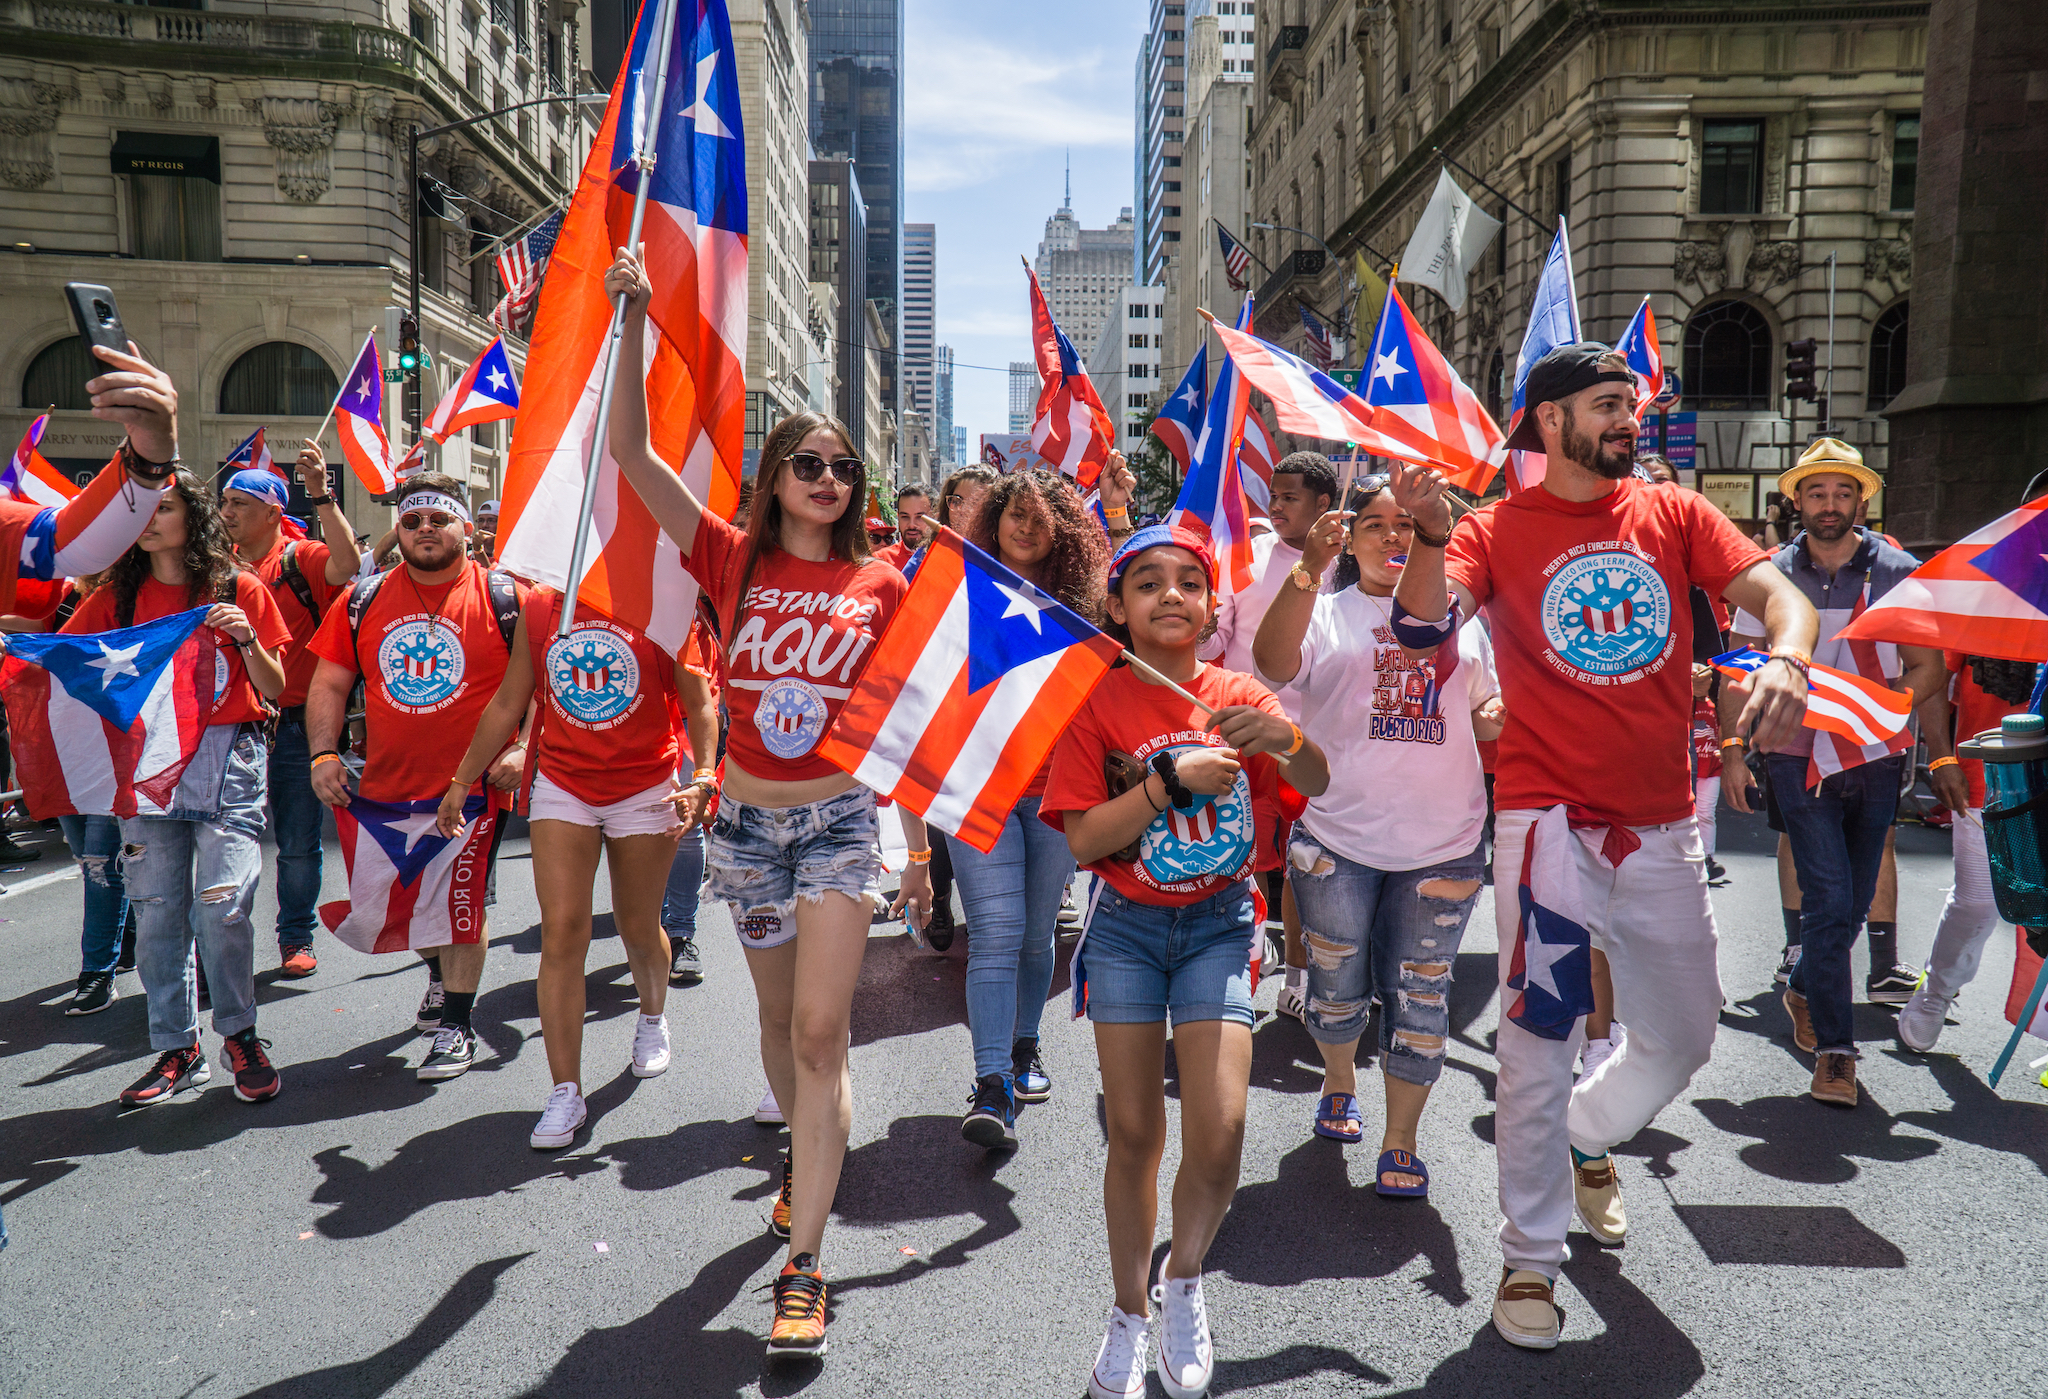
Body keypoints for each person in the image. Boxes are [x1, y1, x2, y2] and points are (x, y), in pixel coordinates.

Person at [1392, 343, 1817, 1350]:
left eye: (1629, 403)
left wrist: (1791, 657)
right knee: (1537, 1039)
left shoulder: (1673, 514)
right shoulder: (1490, 529)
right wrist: (1421, 532)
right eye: (1605, 405)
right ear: (1548, 420)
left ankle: (1577, 1134)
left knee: (1682, 1035)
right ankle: (1528, 1259)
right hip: (1542, 826)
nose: (1628, 420)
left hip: (1662, 825)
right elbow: (1420, 628)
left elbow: (1780, 601)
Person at [603, 247, 923, 1361]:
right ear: (777, 475)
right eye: (808, 462)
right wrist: (633, 318)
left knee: (825, 1030)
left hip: (837, 823)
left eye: (842, 466)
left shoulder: (883, 581)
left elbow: (931, 693)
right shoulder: (729, 558)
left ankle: (805, 1266)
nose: (828, 478)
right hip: (742, 828)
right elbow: (629, 455)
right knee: (784, 1033)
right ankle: (809, 1158)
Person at [1041, 525, 1328, 1399]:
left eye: (1189, 582)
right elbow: (1086, 835)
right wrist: (1165, 785)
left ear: (1211, 608)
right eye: (1148, 582)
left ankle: (1184, 1280)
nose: (1171, 594)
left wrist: (1277, 739)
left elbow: (1316, 778)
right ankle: (1128, 1311)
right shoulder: (1092, 702)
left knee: (1221, 1129)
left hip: (1217, 926)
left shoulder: (1240, 691)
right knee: (1132, 1133)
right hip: (1125, 929)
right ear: (1118, 608)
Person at [1251, 475, 1501, 1195]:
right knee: (1337, 985)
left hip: (1444, 844)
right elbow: (1271, 663)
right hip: (1337, 842)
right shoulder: (1324, 613)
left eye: (1407, 523)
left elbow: (1487, 705)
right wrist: (1304, 571)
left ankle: (1401, 1139)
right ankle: (1338, 1080)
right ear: (1347, 537)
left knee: (1423, 994)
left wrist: (1499, 715)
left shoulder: (1460, 616)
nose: (1394, 536)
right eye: (1375, 524)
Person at [1722, 439, 1943, 1106]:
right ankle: (1837, 1053)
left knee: (1849, 895)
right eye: (1816, 493)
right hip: (1795, 752)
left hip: (1877, 754)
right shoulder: (1766, 573)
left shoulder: (1902, 570)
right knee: (1827, 894)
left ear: (1862, 500)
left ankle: (1805, 986)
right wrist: (1735, 748)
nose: (1829, 504)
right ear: (1798, 501)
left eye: (1842, 492)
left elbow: (1930, 667)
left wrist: (1882, 705)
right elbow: (1737, 667)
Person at [436, 585, 689, 1147]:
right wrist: (461, 780)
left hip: (645, 783)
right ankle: (564, 1092)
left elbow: (698, 697)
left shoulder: (661, 595)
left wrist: (704, 781)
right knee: (563, 932)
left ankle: (651, 1019)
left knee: (639, 927)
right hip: (563, 783)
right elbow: (508, 700)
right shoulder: (545, 605)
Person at [72, 473, 293, 1108]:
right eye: (139, 509)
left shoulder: (236, 587)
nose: (148, 519)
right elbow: (64, 662)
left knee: (223, 906)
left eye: (163, 507)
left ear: (191, 518)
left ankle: (241, 1035)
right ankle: (177, 1047)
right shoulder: (114, 597)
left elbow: (275, 688)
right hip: (144, 770)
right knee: (159, 913)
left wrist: (246, 638)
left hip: (229, 760)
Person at [305, 474, 527, 1080]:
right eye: (413, 520)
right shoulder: (363, 600)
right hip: (386, 790)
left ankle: (457, 1023)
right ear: (399, 530)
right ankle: (437, 976)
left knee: (461, 904)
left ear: (465, 528)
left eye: (439, 518)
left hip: (476, 790)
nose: (425, 528)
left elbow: (540, 684)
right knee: (413, 902)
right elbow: (328, 682)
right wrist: (324, 756)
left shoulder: (507, 598)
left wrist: (525, 748)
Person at [943, 468, 1106, 1151]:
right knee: (997, 929)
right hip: (977, 788)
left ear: (1062, 532)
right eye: (1015, 513)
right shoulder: (955, 588)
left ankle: (1025, 1045)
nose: (1026, 526)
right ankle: (989, 1083)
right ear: (995, 519)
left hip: (1054, 793)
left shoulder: (1086, 608)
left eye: (1042, 518)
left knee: (1038, 934)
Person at [217, 444, 363, 979]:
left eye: (239, 502)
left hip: (297, 726)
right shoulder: (214, 568)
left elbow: (348, 564)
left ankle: (295, 935)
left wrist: (322, 492)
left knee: (297, 842)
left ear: (274, 512)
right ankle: (217, 942)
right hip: (231, 728)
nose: (226, 511)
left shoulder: (302, 559)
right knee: (224, 843)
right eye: (224, 502)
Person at [1203, 452, 1338, 1023]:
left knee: (1314, 858)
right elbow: (1213, 646)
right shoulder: (1244, 557)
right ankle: (1252, 948)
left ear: (1324, 505)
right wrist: (1206, 626)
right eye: (1273, 496)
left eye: (1289, 497)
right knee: (1251, 848)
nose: (1275, 506)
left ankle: (1314, 972)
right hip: (1247, 732)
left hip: (1324, 740)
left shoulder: (1351, 562)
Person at [1898, 653, 2030, 1051]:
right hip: (1989, 772)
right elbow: (1933, 673)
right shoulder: (1982, 595)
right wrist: (1940, 757)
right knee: (1977, 902)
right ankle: (1938, 987)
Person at [917, 464, 1000, 950]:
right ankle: (940, 899)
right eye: (955, 500)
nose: (963, 510)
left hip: (993, 709)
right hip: (943, 705)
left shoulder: (1010, 562)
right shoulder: (927, 562)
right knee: (941, 814)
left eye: (978, 501)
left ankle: (992, 913)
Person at [662, 611, 723, 988]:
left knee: (686, 827)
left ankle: (681, 934)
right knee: (634, 831)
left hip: (689, 716)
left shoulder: (692, 601)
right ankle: (648, 933)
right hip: (630, 717)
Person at [874, 484, 933, 571]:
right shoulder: (880, 561)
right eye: (905, 517)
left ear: (934, 517)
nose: (912, 525)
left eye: (920, 517)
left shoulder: (950, 559)